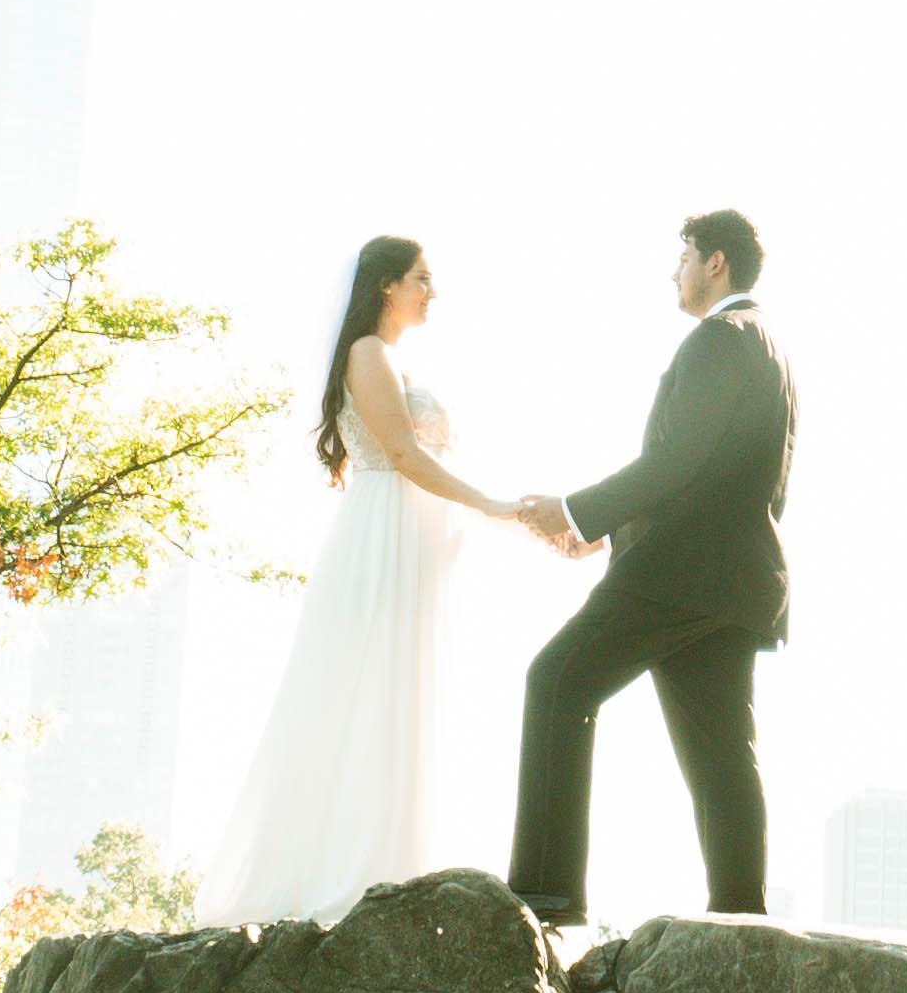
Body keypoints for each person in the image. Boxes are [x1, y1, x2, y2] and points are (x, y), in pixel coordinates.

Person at [199, 234, 526, 926]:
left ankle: (396, 861)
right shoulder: (369, 353)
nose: (431, 292)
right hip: (384, 533)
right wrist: (492, 504)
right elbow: (402, 453)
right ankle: (350, 872)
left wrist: (499, 516)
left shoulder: (392, 358)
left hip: (415, 532)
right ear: (386, 284)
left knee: (403, 690)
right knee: (371, 689)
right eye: (421, 279)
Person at [506, 207, 793, 930]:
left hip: (676, 576)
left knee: (557, 682)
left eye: (684, 257)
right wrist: (609, 532)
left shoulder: (719, 339)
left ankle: (546, 897)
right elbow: (723, 475)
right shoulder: (768, 345)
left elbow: (674, 461)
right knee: (722, 755)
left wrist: (575, 512)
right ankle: (741, 920)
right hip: (734, 582)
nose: (675, 272)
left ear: (715, 262)